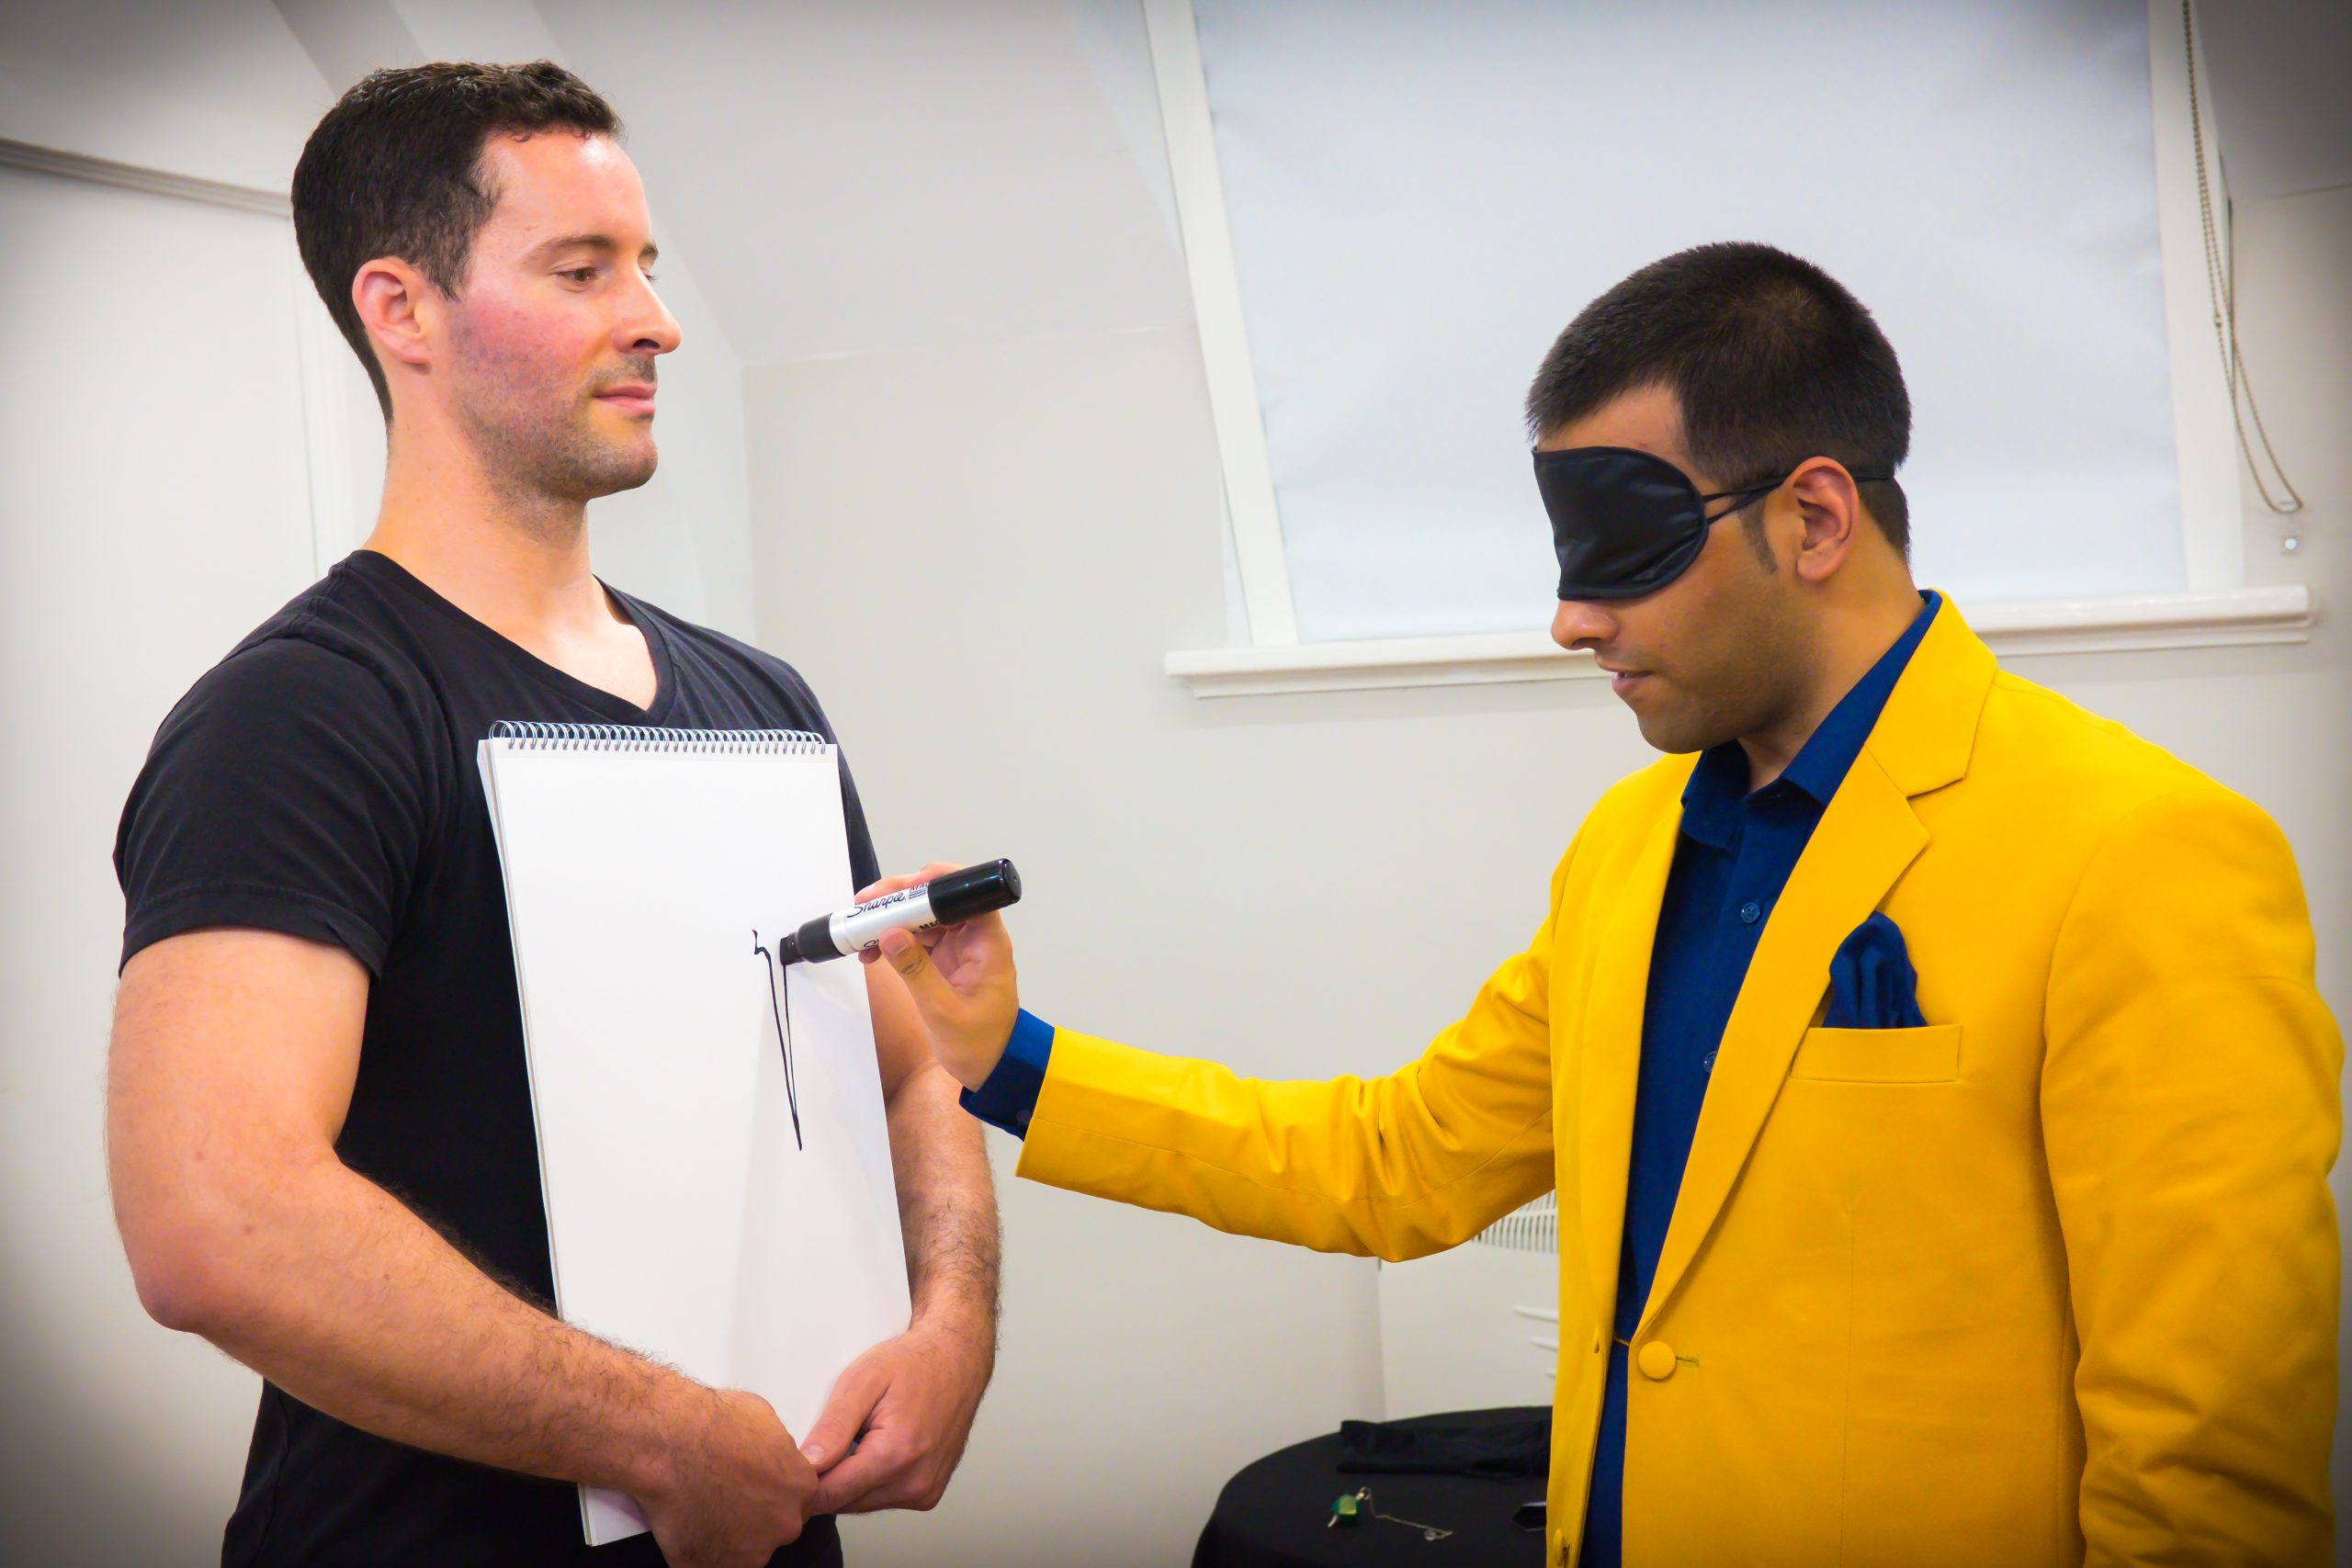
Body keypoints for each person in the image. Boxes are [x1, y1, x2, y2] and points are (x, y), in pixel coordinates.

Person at [865, 243, 2341, 1565]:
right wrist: (1001, 1058)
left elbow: (2207, 1463)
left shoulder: (2142, 853)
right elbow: (1393, 1162)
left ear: (1815, 517)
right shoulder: (1627, 850)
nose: (1571, 615)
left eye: (1619, 550)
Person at [107, 62, 997, 1568]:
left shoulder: (761, 703)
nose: (654, 317)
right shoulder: (305, 718)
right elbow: (215, 1219)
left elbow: (912, 1075)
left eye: (645, 265)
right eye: (582, 270)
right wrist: (653, 1434)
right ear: (404, 313)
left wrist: (952, 1323)